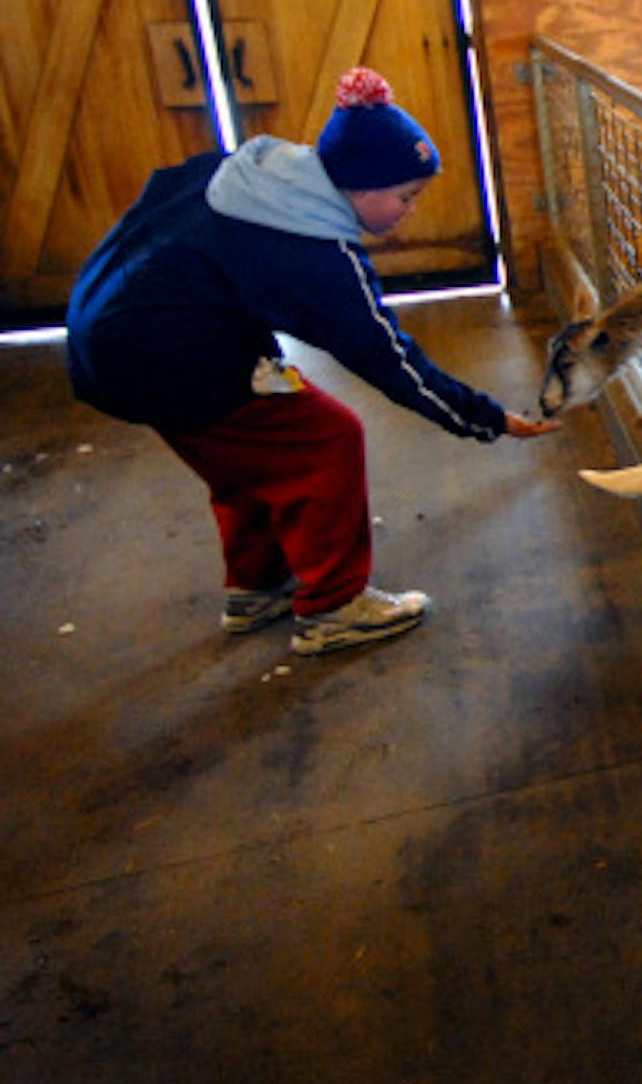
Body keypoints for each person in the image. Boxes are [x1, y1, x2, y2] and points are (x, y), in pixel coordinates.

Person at [66, 66, 557, 656]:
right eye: (405, 196)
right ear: (359, 185)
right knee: (327, 436)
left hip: (108, 333)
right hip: (165, 355)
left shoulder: (251, 177)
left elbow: (156, 200)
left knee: (246, 458)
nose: (410, 211)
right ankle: (334, 605)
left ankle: (257, 587)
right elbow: (393, 362)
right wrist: (488, 418)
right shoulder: (317, 253)